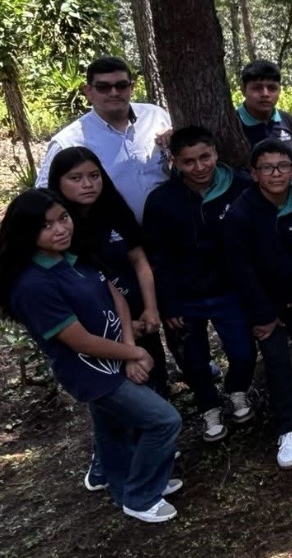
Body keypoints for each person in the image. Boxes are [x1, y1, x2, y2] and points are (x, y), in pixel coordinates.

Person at [0, 190, 183, 523]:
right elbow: (81, 342)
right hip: (91, 373)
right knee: (164, 421)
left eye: (63, 218)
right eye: (46, 225)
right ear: (25, 231)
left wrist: (129, 351)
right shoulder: (33, 285)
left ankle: (120, 483)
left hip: (116, 358)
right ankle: (141, 496)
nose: (60, 229)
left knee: (113, 429)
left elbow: (118, 300)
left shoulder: (75, 256)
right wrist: (137, 351)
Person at [142, 126, 255, 443]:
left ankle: (237, 392)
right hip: (185, 297)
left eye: (205, 157)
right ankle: (208, 407)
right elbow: (157, 257)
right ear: (174, 162)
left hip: (230, 290)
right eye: (189, 161)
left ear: (216, 153)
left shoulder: (240, 186)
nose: (199, 167)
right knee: (193, 360)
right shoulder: (162, 201)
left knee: (243, 352)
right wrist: (168, 302)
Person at [224, 140, 292, 468]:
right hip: (265, 304)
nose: (276, 173)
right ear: (255, 174)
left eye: (283, 166)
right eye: (267, 168)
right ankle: (288, 426)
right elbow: (239, 268)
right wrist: (265, 314)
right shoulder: (241, 212)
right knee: (276, 360)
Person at [48, 147, 167, 400]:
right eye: (76, 178)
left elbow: (139, 260)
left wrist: (151, 308)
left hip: (140, 317)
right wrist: (124, 332)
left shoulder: (114, 209)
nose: (88, 184)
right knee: (124, 399)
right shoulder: (59, 230)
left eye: (94, 175)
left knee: (156, 380)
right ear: (58, 181)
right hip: (97, 330)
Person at [37, 56, 171, 222]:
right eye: (103, 87)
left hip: (171, 230)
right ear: (88, 91)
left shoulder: (155, 116)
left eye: (121, 86)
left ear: (132, 87)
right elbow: (44, 197)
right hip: (111, 240)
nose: (114, 93)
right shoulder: (69, 141)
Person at [235, 59, 292, 172]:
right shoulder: (233, 123)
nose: (265, 94)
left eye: (272, 88)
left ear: (279, 90)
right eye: (257, 88)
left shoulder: (286, 119)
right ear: (243, 90)